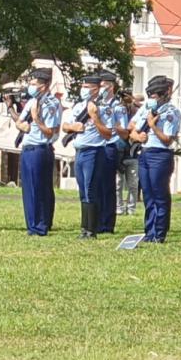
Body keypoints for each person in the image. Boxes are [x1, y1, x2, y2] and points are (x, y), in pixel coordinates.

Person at [63, 73, 115, 239]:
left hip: (94, 151)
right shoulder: (79, 106)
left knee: (90, 190)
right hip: (79, 151)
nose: (83, 90)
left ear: (96, 90)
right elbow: (65, 126)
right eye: (83, 87)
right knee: (82, 191)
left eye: (87, 87)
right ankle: (84, 228)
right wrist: (73, 127)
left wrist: (95, 118)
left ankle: (92, 229)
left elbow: (108, 133)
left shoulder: (103, 108)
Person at [129, 76, 179, 243]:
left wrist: (153, 126)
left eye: (155, 95)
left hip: (160, 154)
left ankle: (159, 232)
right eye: (150, 95)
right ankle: (149, 231)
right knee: (148, 194)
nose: (152, 99)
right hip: (145, 153)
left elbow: (168, 139)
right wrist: (138, 136)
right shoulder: (146, 109)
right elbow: (133, 130)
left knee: (159, 194)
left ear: (164, 95)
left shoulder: (170, 112)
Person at [15, 68, 60, 235]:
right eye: (30, 83)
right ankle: (32, 224)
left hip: (40, 149)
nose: (31, 86)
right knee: (28, 189)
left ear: (44, 86)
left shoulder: (51, 104)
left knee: (39, 189)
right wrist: (22, 125)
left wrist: (36, 120)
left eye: (34, 84)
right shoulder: (31, 101)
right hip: (28, 148)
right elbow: (19, 122)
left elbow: (51, 132)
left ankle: (40, 225)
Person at [96, 71, 128, 234]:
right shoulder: (97, 104)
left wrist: (113, 126)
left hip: (110, 146)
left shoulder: (118, 106)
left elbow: (124, 131)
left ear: (111, 86)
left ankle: (107, 223)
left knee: (108, 186)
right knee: (96, 185)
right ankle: (96, 219)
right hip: (97, 145)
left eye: (103, 85)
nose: (100, 88)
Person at [117, 92, 140, 216]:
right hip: (119, 152)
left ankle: (131, 208)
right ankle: (119, 207)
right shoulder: (117, 111)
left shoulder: (136, 112)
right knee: (118, 183)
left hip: (132, 153)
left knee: (133, 184)